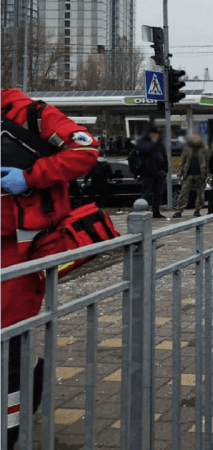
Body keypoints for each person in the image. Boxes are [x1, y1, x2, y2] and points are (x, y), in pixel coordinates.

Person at [1, 88, 99, 446]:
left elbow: (85, 150)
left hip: (19, 248)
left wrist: (29, 177)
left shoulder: (31, 114)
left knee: (9, 339)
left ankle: (8, 432)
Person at [173, 134, 210, 218]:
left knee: (200, 194)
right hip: (188, 174)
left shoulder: (204, 149)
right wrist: (180, 173)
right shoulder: (187, 149)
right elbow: (183, 162)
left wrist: (208, 175)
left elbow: (207, 162)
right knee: (184, 193)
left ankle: (197, 210)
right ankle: (179, 210)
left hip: (200, 174)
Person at [137, 128, 169, 219]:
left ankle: (156, 212)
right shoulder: (144, 144)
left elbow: (165, 158)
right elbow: (141, 154)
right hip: (147, 174)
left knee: (158, 194)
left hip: (159, 174)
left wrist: (164, 171)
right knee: (146, 194)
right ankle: (143, 212)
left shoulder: (160, 145)